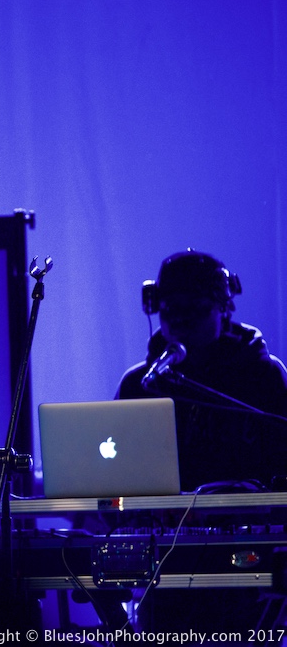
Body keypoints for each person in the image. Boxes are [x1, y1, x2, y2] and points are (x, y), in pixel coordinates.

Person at [115, 249, 287, 634]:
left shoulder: (263, 378)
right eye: (168, 309)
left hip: (245, 563)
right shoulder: (139, 384)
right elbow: (115, 477)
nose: (178, 320)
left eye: (194, 308)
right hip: (163, 561)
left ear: (224, 309)